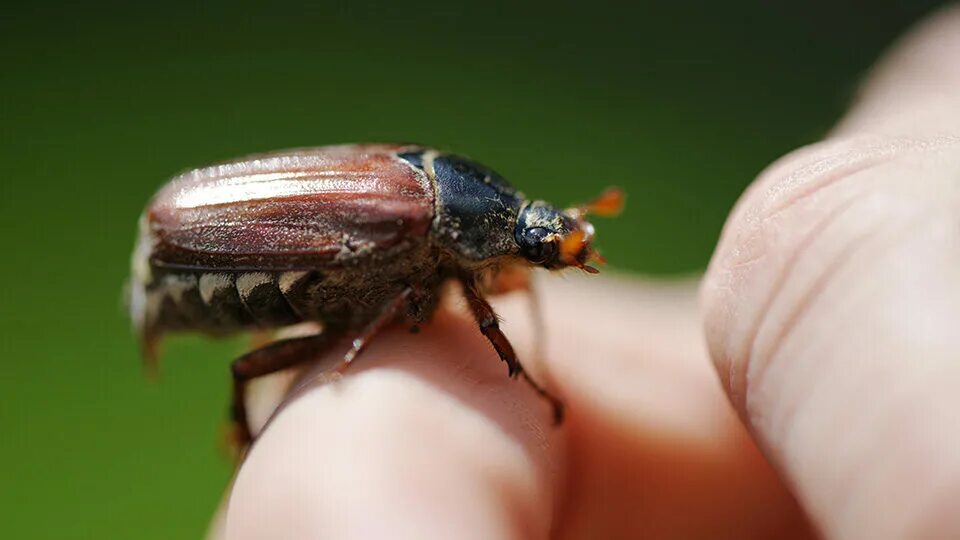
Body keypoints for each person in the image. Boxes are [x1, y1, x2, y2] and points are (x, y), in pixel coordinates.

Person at [212, 7, 960, 538]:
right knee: (261, 372)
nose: (538, 257)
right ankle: (241, 437)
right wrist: (526, 376)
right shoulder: (417, 224)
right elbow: (480, 311)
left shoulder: (458, 231)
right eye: (533, 244)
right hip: (216, 257)